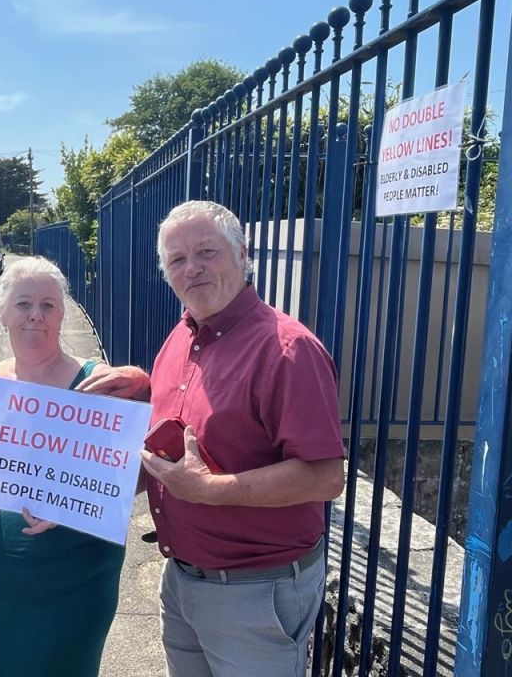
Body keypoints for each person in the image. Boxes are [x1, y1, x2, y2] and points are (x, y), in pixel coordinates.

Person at [80, 200, 345, 677]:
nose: (192, 269)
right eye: (177, 259)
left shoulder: (288, 349)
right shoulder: (181, 337)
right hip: (183, 579)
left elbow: (325, 476)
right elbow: (170, 446)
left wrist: (210, 491)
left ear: (242, 255)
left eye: (207, 252)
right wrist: (71, 491)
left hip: (255, 591)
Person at [0, 256, 149, 677]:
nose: (35, 315)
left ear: (63, 314)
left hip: (76, 577)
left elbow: (134, 472)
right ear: (5, 312)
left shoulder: (98, 383)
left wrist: (70, 500)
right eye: (24, 303)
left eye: (48, 305)